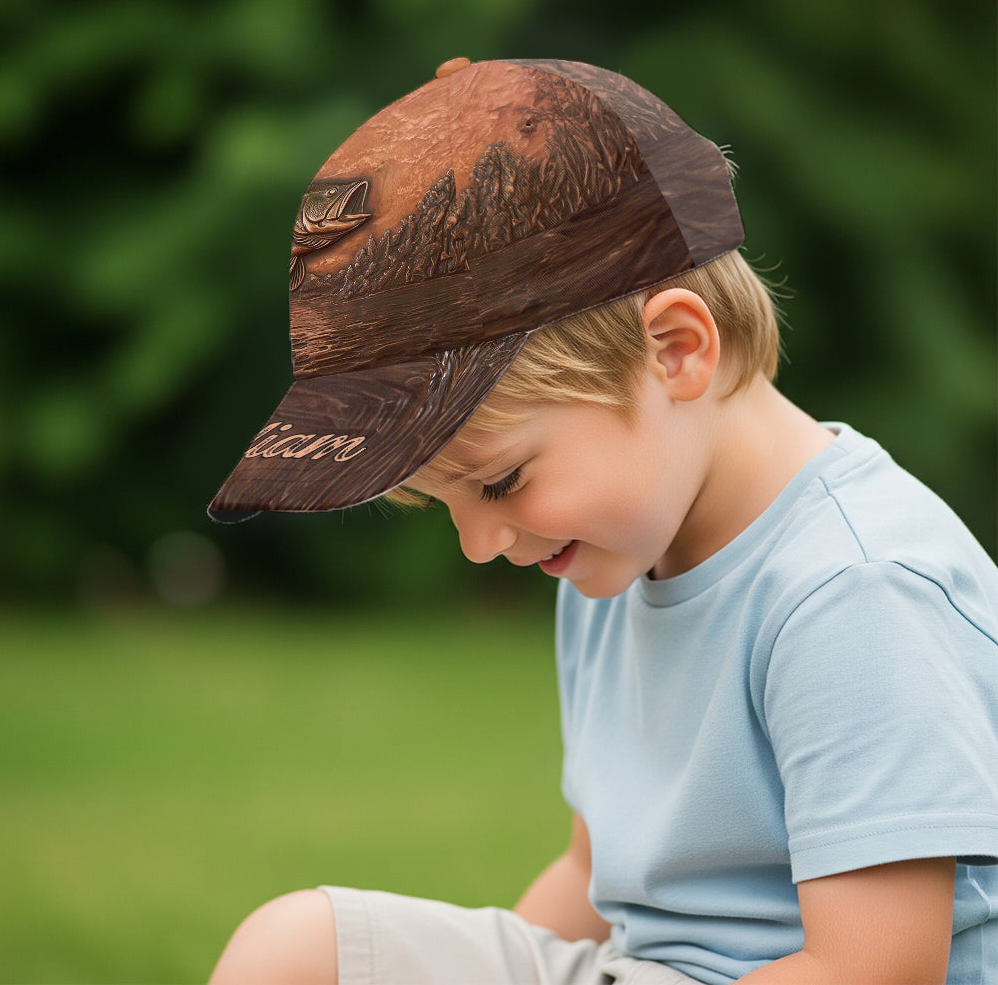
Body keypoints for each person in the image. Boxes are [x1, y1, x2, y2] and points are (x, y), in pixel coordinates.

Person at [206, 58, 998, 984]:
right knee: (296, 951)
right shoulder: (609, 555)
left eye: (498, 483)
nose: (479, 544)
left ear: (675, 351)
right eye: (446, 503)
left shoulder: (852, 590)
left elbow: (873, 969)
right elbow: (594, 879)